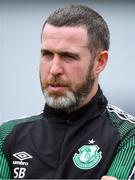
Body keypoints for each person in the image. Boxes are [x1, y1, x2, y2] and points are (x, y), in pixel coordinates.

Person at [0, 4, 134, 180]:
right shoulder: (7, 135)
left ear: (99, 62)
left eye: (68, 56)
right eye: (47, 54)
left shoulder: (127, 135)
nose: (54, 69)